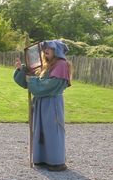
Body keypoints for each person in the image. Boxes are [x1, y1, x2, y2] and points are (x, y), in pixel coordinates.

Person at [13, 40, 71, 171]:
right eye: (44, 48)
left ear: (57, 51)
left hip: (52, 103)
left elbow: (50, 85)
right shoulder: (46, 64)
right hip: (41, 103)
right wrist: (21, 70)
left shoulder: (61, 65)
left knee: (52, 130)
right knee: (41, 130)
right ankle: (42, 159)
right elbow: (32, 78)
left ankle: (56, 161)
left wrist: (32, 81)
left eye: (49, 48)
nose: (45, 50)